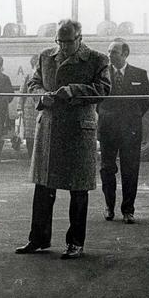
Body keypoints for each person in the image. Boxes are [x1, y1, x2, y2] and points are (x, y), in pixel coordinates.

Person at [15, 19, 111, 259]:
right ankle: (37, 239)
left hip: (78, 131)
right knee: (43, 186)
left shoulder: (98, 59)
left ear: (79, 38)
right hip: (49, 128)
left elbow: (103, 89)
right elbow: (34, 83)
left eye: (68, 42)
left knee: (78, 189)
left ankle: (75, 243)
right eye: (59, 41)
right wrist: (41, 96)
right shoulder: (46, 56)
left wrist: (74, 91)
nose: (63, 47)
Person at [97, 39, 149, 224]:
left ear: (125, 54)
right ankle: (109, 207)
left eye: (115, 52)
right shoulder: (101, 74)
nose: (110, 55)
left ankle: (128, 210)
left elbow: (146, 101)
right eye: (109, 51)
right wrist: (105, 115)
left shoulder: (139, 74)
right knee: (107, 168)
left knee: (130, 169)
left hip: (130, 130)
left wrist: (132, 118)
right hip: (108, 129)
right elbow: (97, 100)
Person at [17, 54, 40, 157]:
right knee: (29, 135)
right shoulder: (28, 76)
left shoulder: (44, 77)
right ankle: (31, 155)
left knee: (40, 133)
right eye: (36, 66)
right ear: (33, 66)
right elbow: (21, 93)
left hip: (40, 108)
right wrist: (19, 108)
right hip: (29, 109)